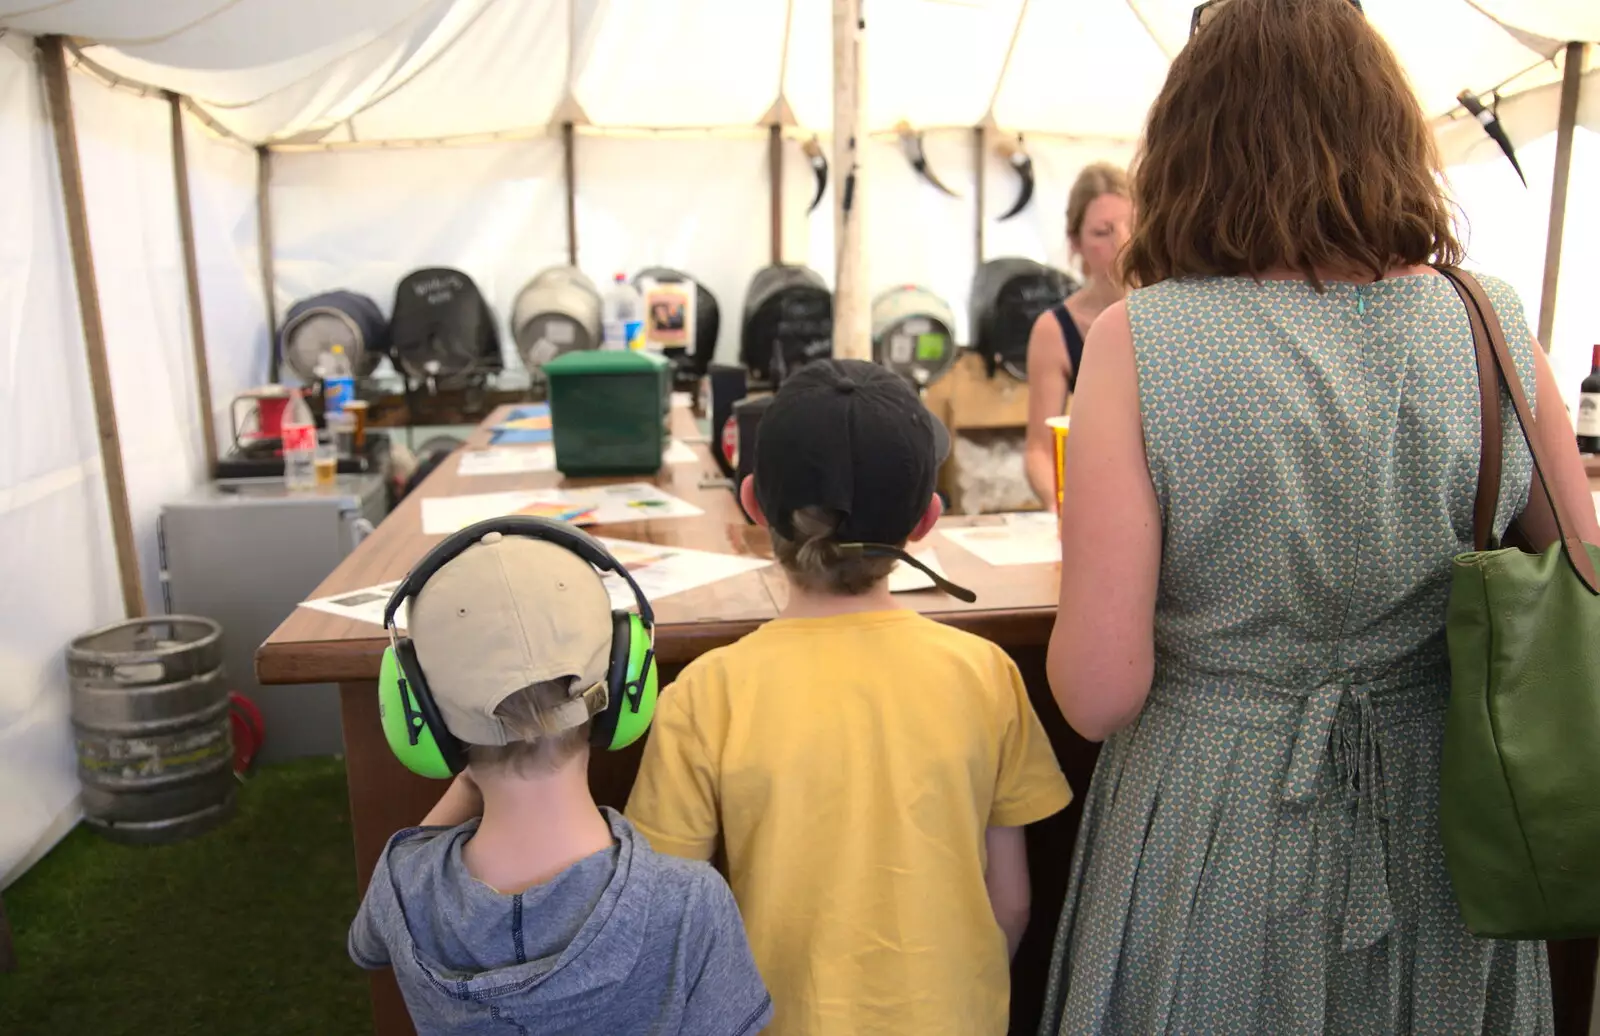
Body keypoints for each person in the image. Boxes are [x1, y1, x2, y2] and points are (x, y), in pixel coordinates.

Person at [1037, 1, 1600, 1033]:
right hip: (1448, 821)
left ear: (1191, 145)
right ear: (1386, 129)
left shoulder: (1138, 341)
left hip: (1214, 817)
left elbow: (1098, 692)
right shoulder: (1491, 320)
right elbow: (1583, 573)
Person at [626, 358, 1073, 1036]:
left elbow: (671, 929)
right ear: (927, 520)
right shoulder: (986, 673)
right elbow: (1010, 903)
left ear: (752, 506)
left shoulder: (704, 695)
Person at [347, 526, 773, 1036]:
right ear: (625, 683)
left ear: (417, 712)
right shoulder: (688, 904)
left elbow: (365, 945)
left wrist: (468, 783)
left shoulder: (404, 883)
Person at [1023, 162, 1132, 509]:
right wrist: (1059, 506)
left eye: (1134, 225)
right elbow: (1039, 449)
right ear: (1075, 242)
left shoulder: (1176, 312)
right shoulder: (1055, 329)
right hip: (1102, 496)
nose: (1123, 241)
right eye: (1104, 232)